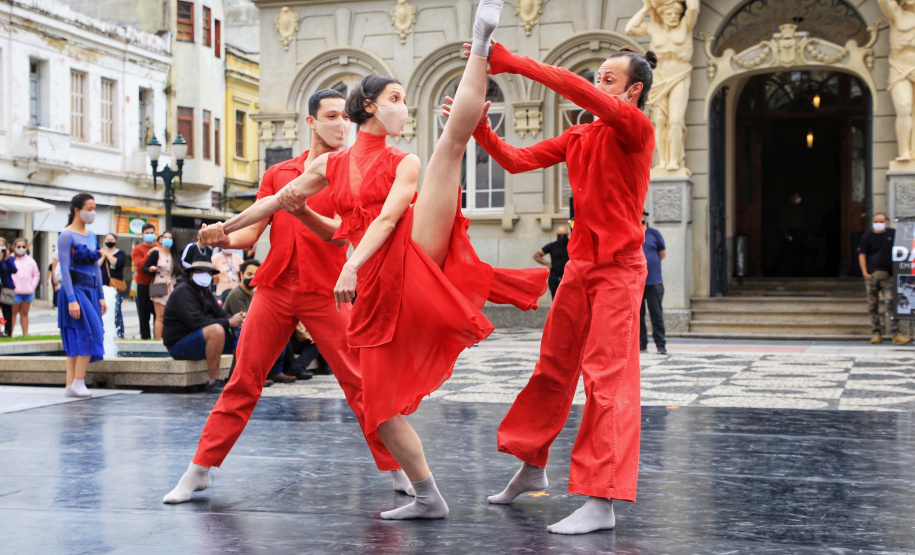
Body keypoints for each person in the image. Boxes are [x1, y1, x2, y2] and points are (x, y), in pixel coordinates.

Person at [202, 1, 547, 520]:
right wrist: (223, 228)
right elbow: (275, 203)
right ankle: (428, 496)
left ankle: (480, 43)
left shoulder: (404, 159)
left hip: (406, 255)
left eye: (405, 100)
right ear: (368, 105)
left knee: (451, 142)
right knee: (379, 408)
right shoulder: (332, 162)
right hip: (371, 288)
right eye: (394, 98)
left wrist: (349, 266)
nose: (403, 108)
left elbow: (386, 222)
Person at [163, 88, 413, 505]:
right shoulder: (279, 173)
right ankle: (199, 470)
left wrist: (300, 211)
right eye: (331, 116)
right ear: (311, 122)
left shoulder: (349, 171)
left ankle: (399, 468)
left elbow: (339, 236)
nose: (341, 124)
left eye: (344, 117)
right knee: (244, 380)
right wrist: (219, 235)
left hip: (328, 292)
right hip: (275, 289)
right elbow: (248, 234)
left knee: (360, 383)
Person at [460, 40, 656, 534]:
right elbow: (515, 161)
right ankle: (531, 466)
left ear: (633, 91)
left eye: (608, 79)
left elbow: (570, 87)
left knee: (606, 378)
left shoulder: (635, 128)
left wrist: (511, 63)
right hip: (579, 268)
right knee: (552, 367)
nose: (596, 84)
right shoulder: (579, 138)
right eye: (597, 77)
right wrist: (480, 128)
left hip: (619, 269)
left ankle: (602, 500)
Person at [162, 260, 243, 393]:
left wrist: (236, 320)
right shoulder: (183, 291)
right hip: (179, 344)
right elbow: (196, 321)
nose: (204, 275)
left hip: (198, 339)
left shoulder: (204, 291)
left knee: (240, 332)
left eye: (208, 272)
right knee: (216, 330)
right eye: (200, 271)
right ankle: (213, 381)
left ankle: (233, 379)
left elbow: (220, 313)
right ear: (191, 273)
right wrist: (229, 322)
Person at [58, 193, 107, 398]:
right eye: (89, 208)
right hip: (74, 289)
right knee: (81, 334)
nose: (93, 212)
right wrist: (71, 299)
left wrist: (101, 295)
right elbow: (65, 268)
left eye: (94, 208)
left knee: (86, 333)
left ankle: (73, 384)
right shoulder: (66, 235)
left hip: (91, 291)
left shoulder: (92, 235)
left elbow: (96, 267)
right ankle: (76, 382)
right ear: (77, 210)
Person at [223, 260, 297, 385]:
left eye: (255, 275)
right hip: (234, 334)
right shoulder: (236, 295)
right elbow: (243, 319)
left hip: (249, 329)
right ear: (241, 274)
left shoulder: (253, 294)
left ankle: (276, 372)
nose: (252, 278)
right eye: (249, 274)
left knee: (280, 332)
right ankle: (256, 376)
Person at [858, 213, 912, 344]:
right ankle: (876, 332)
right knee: (873, 304)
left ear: (886, 221)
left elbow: (906, 242)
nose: (879, 223)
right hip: (872, 276)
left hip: (888, 276)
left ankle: (895, 332)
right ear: (872, 221)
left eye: (881, 221)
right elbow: (862, 254)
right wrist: (865, 272)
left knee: (891, 302)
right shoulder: (867, 237)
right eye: (876, 221)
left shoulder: (892, 234)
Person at [144, 231, 179, 339]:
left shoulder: (175, 255)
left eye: (170, 237)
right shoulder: (156, 253)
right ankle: (158, 339)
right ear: (161, 239)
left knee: (172, 315)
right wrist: (151, 269)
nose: (167, 239)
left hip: (172, 286)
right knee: (160, 316)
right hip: (159, 284)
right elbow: (145, 268)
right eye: (165, 237)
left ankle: (169, 338)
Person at [640, 213, 667, 355]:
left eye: (643, 218)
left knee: (656, 315)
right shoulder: (632, 233)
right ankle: (641, 345)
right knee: (638, 316)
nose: (641, 220)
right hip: (637, 284)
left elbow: (662, 254)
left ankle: (661, 345)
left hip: (653, 282)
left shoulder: (654, 234)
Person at [132, 223, 158, 339]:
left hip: (158, 284)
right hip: (143, 284)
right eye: (147, 233)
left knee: (159, 314)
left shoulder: (160, 247)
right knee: (143, 315)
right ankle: (145, 338)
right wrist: (149, 253)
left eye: (152, 233)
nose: (149, 235)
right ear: (142, 235)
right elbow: (139, 265)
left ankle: (158, 338)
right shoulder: (137, 249)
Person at [99, 233, 128, 339]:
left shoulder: (120, 253)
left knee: (116, 310)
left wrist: (106, 254)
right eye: (107, 239)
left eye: (111, 239)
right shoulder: (101, 253)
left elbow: (117, 263)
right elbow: (96, 266)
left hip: (116, 287)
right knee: (102, 310)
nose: (109, 241)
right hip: (102, 287)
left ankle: (120, 333)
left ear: (115, 241)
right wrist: (103, 255)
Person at [10, 238, 40, 337]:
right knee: (12, 314)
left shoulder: (31, 261)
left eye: (23, 246)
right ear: (14, 247)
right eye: (19, 247)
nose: (21, 249)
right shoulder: (10, 259)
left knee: (25, 314)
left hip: (28, 292)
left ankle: (25, 335)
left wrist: (32, 287)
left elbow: (36, 274)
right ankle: (10, 334)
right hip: (14, 292)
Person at [534, 226, 570, 298]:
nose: (562, 237)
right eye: (560, 236)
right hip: (555, 278)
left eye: (564, 236)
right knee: (556, 301)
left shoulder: (572, 245)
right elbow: (536, 255)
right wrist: (547, 263)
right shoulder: (552, 246)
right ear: (557, 235)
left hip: (569, 278)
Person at [0, 237, 17, 338]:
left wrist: (5, 259)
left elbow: (14, 270)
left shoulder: (9, 258)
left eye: (2, 246)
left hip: (6, 288)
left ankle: (8, 332)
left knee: (7, 311)